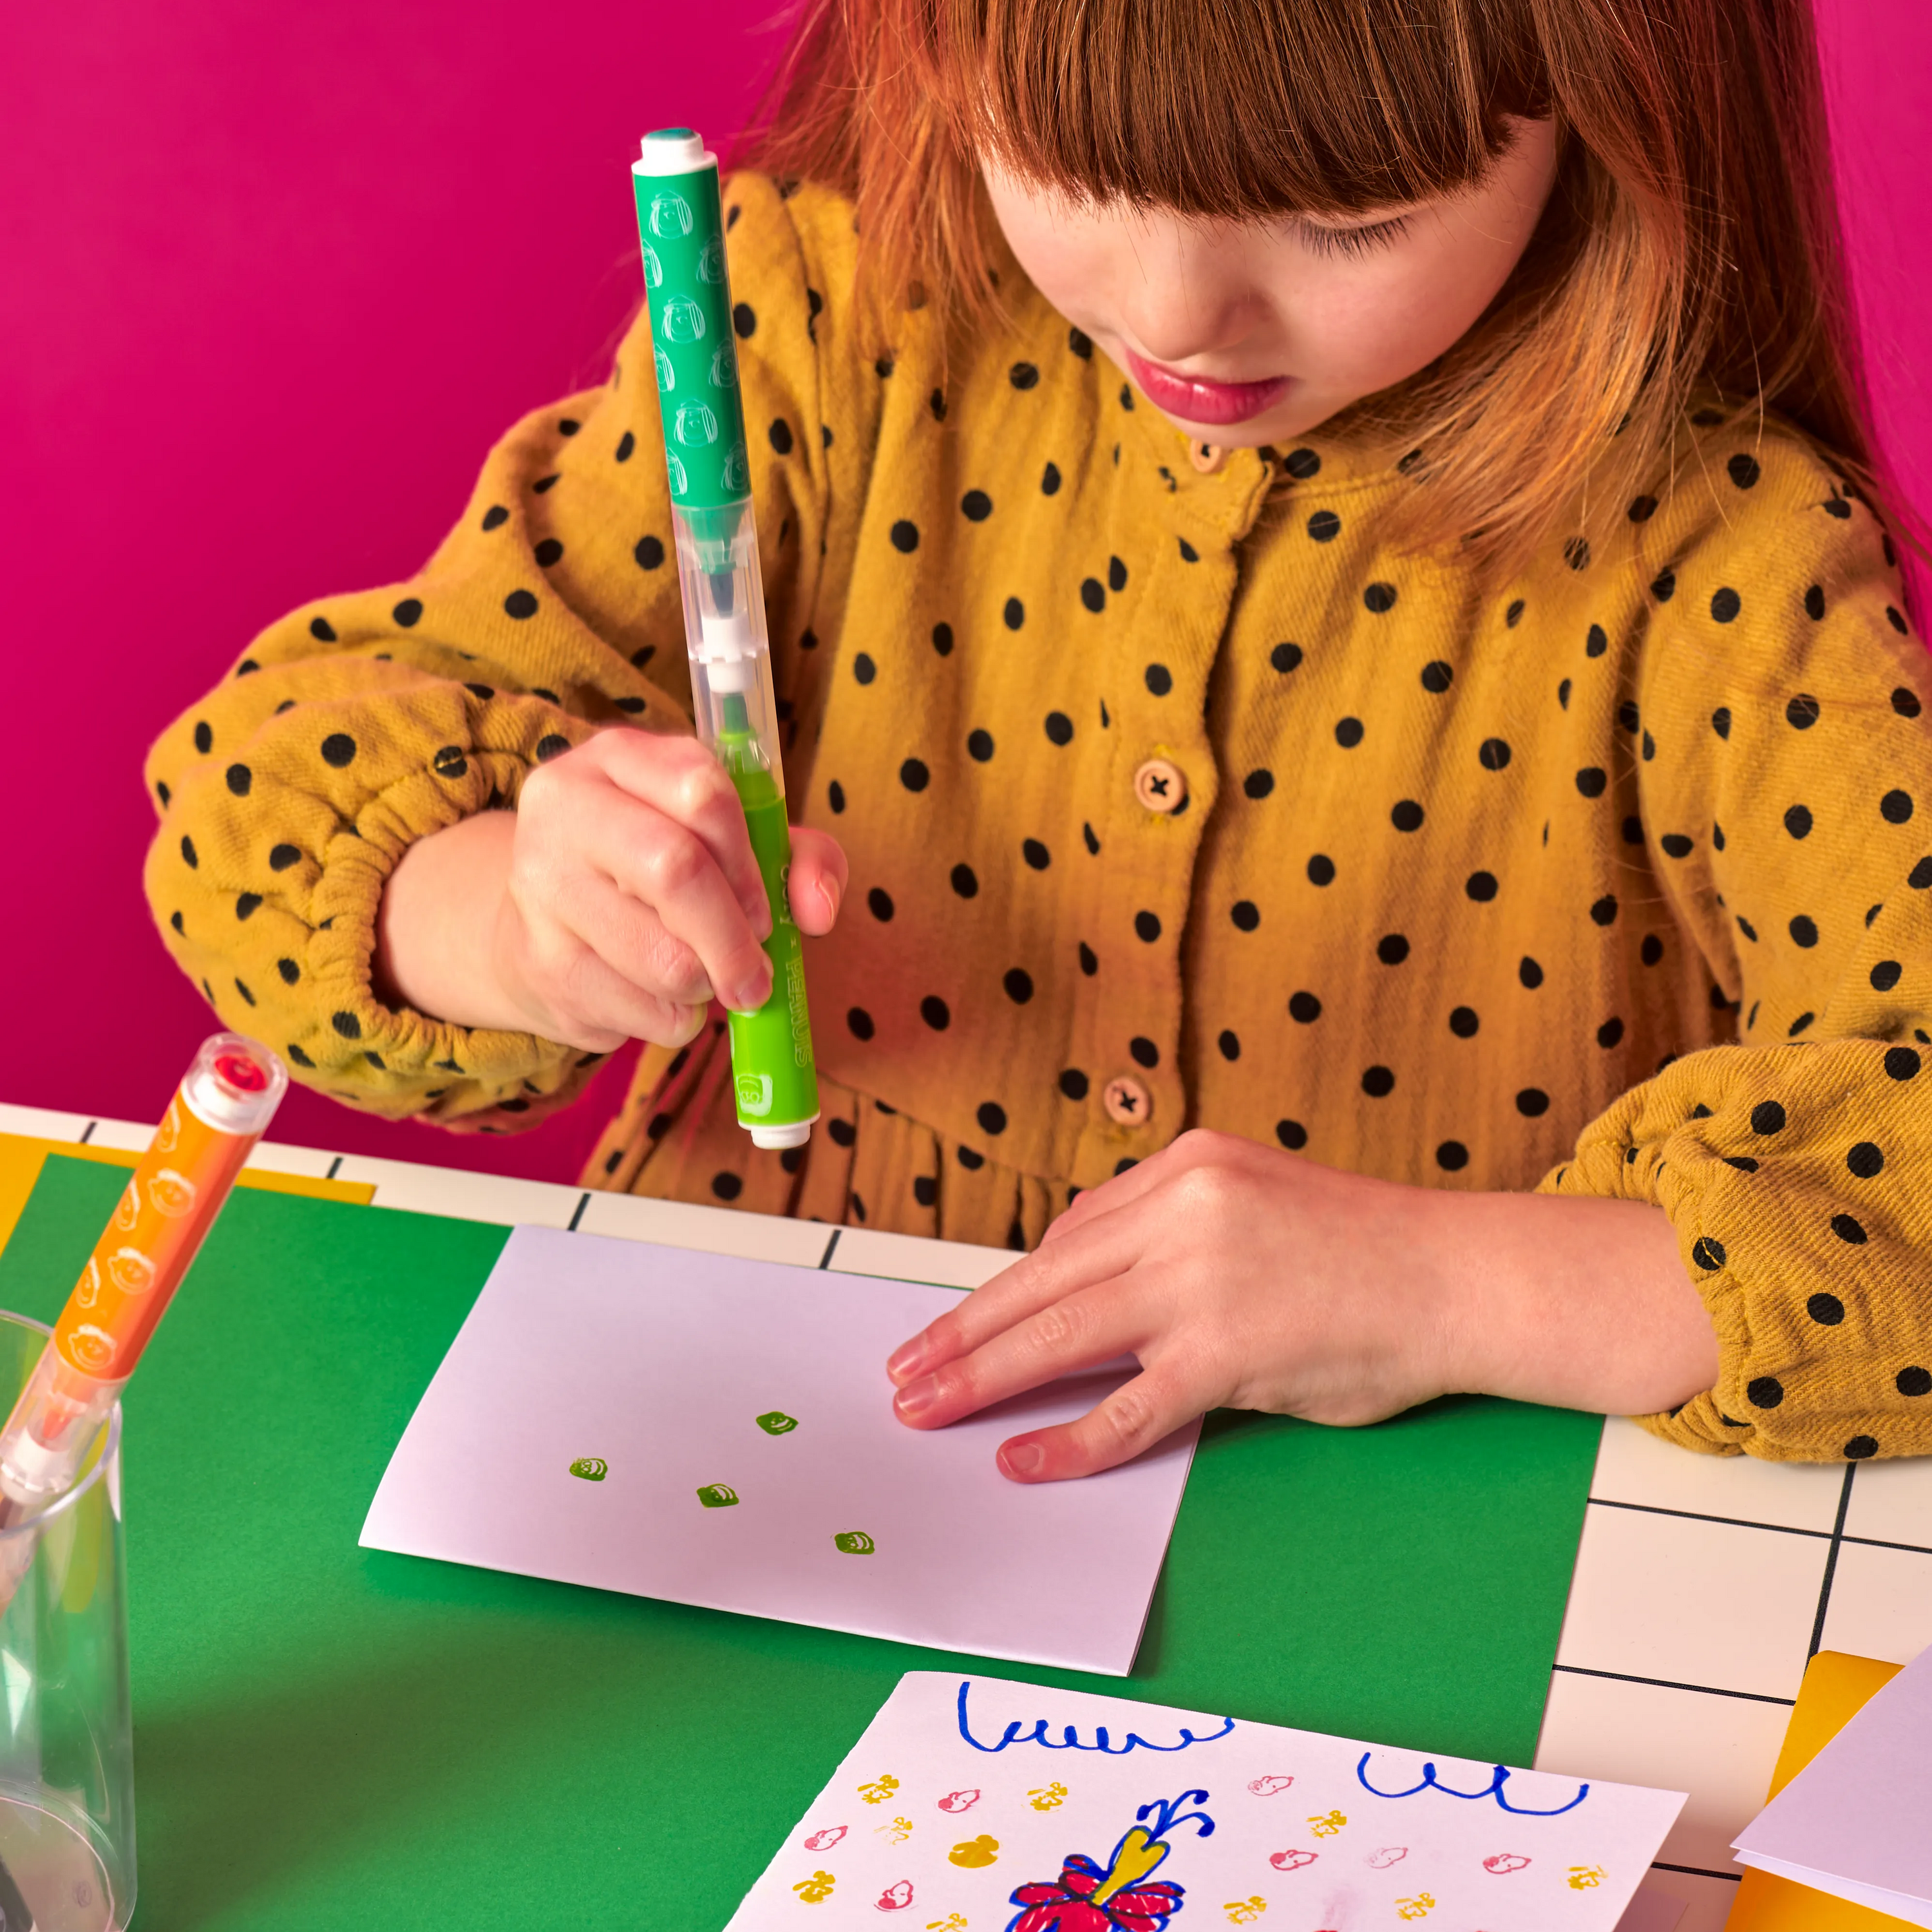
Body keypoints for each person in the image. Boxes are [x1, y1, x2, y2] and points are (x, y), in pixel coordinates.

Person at [144, 0, 1932, 1481]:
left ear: (1614, 103)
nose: (1174, 313)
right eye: (1073, 164)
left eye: (1346, 217)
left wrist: (1445, 1287)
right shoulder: (825, 329)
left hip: (1410, 1530)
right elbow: (258, 804)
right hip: (782, 1447)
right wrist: (515, 916)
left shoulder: (1727, 555)